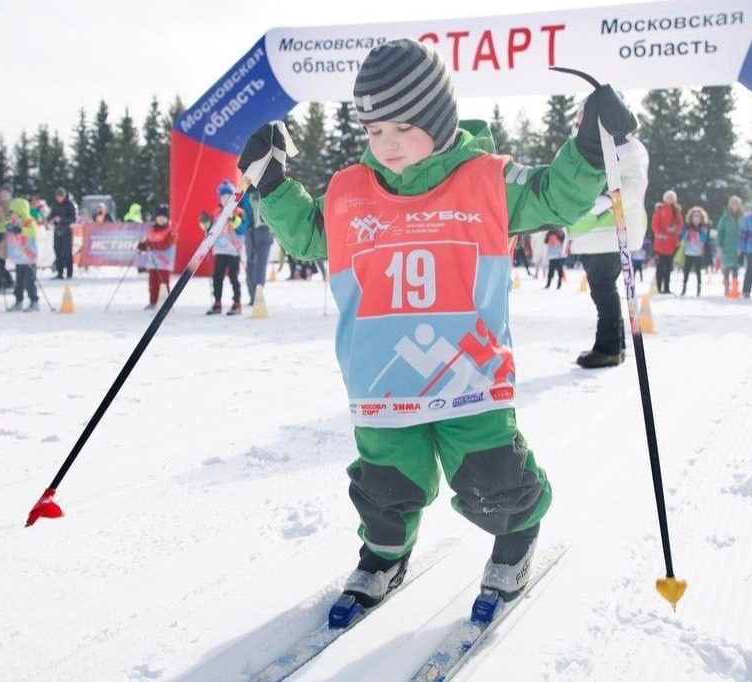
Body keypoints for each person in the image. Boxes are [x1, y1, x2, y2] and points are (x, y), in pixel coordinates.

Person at [236, 38, 635, 614]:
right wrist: (269, 183)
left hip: (468, 375)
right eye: (374, 131)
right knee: (384, 485)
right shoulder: (351, 193)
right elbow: (307, 235)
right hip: (381, 380)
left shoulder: (487, 181)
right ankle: (384, 552)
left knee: (490, 480)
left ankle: (516, 536)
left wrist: (591, 148)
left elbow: (558, 195)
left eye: (402, 126)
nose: (388, 143)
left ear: (439, 119)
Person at [567, 127, 649, 368]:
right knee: (602, 289)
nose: (580, 121)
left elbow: (634, 185)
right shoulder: (581, 145)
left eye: (585, 116)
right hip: (590, 233)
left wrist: (606, 201)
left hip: (609, 232)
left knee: (603, 290)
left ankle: (608, 347)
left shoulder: (626, 147)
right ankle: (615, 345)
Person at [200, 180, 246, 315]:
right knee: (217, 276)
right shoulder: (216, 212)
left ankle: (237, 303)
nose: (225, 200)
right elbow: (210, 229)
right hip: (219, 249)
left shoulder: (238, 212)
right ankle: (217, 302)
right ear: (219, 198)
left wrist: (234, 220)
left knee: (233, 276)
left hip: (233, 249)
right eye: (223, 197)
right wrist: (205, 223)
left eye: (228, 197)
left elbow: (242, 229)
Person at [137, 203, 176, 310]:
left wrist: (150, 245)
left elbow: (165, 245)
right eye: (159, 217)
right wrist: (142, 245)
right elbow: (147, 242)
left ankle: (166, 303)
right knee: (152, 283)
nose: (161, 219)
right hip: (153, 262)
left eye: (164, 217)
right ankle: (153, 301)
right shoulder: (152, 229)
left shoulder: (170, 231)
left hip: (164, 263)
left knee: (163, 283)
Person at [242, 187, 274, 306]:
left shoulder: (245, 193)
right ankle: (256, 295)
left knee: (254, 263)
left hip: (255, 232)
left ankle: (255, 295)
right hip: (260, 232)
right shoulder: (266, 187)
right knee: (257, 264)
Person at [6, 197, 39, 312]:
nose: (12, 216)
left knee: (29, 281)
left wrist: (21, 230)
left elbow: (32, 232)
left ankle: (34, 301)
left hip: (29, 257)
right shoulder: (13, 223)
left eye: (14, 213)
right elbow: (3, 227)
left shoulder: (29, 222)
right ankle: (18, 301)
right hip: (19, 258)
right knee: (19, 282)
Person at [651, 190, 683, 294]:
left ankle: (667, 288)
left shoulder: (676, 210)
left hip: (672, 243)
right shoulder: (660, 209)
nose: (670, 199)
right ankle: (659, 287)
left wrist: (674, 228)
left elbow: (680, 224)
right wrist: (660, 234)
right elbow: (655, 224)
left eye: (672, 197)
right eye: (668, 197)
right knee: (661, 266)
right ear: (665, 198)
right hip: (661, 242)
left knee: (668, 267)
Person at [715, 195, 744, 296]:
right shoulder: (724, 218)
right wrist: (719, 246)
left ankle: (735, 289)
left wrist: (742, 247)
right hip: (726, 246)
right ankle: (727, 288)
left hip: (738, 247)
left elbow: (745, 232)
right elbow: (720, 233)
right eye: (733, 203)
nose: (734, 206)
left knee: (736, 268)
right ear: (729, 205)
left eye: (736, 204)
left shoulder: (742, 217)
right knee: (726, 268)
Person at [679, 207, 710, 297]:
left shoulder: (703, 229)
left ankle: (699, 289)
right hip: (688, 252)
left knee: (698, 271)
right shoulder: (687, 228)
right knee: (686, 270)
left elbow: (704, 240)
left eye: (698, 217)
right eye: (694, 216)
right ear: (691, 218)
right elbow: (682, 237)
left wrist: (698, 237)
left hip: (698, 253)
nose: (696, 219)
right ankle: (684, 288)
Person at [50, 188, 77, 279]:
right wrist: (51, 219)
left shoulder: (69, 205)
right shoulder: (54, 205)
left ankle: (69, 273)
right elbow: (51, 215)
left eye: (61, 196)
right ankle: (60, 272)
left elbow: (73, 219)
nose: (59, 198)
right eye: (58, 196)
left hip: (67, 231)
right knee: (57, 251)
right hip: (57, 230)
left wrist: (62, 219)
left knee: (67, 253)